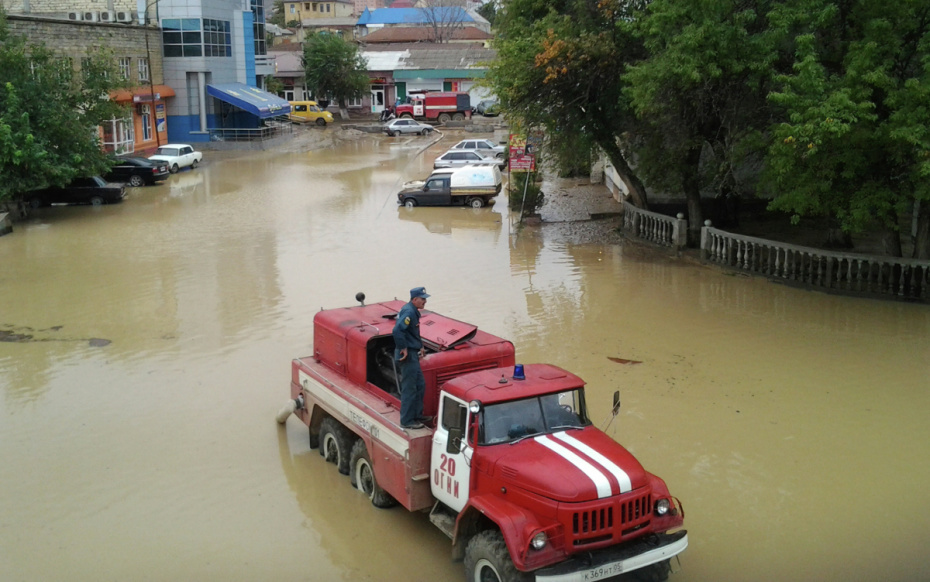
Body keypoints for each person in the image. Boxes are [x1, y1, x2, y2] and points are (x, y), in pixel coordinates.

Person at [393, 286, 432, 429]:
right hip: (407, 355)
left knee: (420, 385)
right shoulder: (409, 312)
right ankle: (407, 421)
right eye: (423, 299)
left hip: (413, 353)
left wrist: (420, 345)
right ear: (414, 299)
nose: (425, 302)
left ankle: (417, 415)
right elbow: (397, 330)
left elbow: (413, 332)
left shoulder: (413, 311)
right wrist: (403, 347)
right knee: (410, 388)